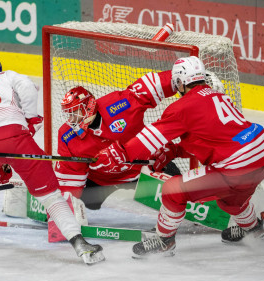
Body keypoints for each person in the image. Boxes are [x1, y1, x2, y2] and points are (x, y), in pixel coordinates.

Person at [88, 56, 264, 258]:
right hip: (262, 158)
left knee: (172, 190)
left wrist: (120, 153)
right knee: (231, 201)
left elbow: (149, 139)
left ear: (179, 82)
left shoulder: (183, 107)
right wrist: (176, 151)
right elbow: (211, 140)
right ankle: (254, 230)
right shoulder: (220, 97)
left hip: (236, 166)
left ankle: (164, 241)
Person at [0, 55, 105, 265]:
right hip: (17, 138)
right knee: (52, 197)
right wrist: (30, 118)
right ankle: (80, 244)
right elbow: (28, 86)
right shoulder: (7, 76)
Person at [50, 71, 180, 242]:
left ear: (89, 107)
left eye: (76, 112)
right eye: (69, 114)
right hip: (103, 180)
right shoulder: (67, 136)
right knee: (88, 202)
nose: (72, 119)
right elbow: (70, 180)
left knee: (181, 190)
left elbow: (149, 86)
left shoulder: (119, 104)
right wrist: (62, 210)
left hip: (143, 168)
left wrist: (181, 79)